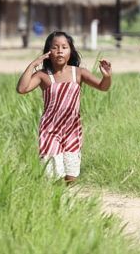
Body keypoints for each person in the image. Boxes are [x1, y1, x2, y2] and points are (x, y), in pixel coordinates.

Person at [16, 31, 112, 183]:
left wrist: (107, 77)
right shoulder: (43, 75)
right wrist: (34, 64)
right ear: (48, 51)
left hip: (72, 129)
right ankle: (51, 202)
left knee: (71, 178)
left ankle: (66, 204)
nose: (60, 50)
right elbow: (22, 89)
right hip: (50, 130)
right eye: (55, 47)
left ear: (71, 51)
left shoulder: (79, 73)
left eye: (64, 47)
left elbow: (103, 87)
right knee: (53, 176)